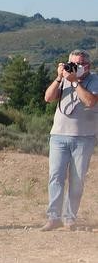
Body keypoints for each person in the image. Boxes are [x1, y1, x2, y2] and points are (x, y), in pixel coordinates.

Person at [41, 49, 97, 231]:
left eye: (78, 63)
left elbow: (90, 101)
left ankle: (69, 218)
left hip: (84, 138)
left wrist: (74, 83)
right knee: (55, 177)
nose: (73, 67)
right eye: (71, 63)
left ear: (87, 66)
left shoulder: (94, 80)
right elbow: (48, 97)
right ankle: (53, 217)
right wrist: (59, 78)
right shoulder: (64, 78)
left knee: (77, 179)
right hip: (58, 136)